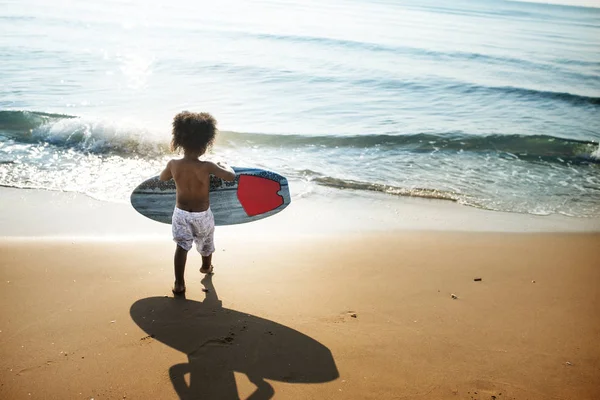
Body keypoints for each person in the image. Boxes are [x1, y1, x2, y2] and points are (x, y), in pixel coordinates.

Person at [159, 111, 236, 295]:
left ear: (179, 141)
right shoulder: (207, 166)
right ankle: (206, 267)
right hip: (202, 215)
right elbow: (231, 177)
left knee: (181, 246)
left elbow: (162, 178)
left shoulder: (173, 164)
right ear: (205, 144)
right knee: (206, 242)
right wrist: (225, 164)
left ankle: (179, 283)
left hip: (180, 214)